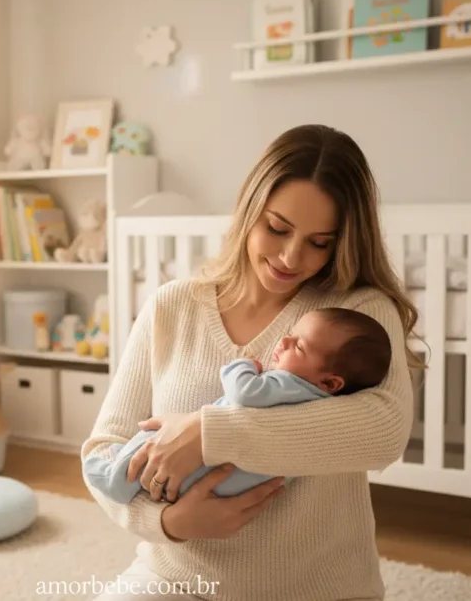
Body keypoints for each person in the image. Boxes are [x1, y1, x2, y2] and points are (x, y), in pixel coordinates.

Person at [80, 124, 419, 601]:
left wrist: (207, 433)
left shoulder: (355, 315)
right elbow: (103, 449)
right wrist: (168, 522)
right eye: (276, 228)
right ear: (248, 212)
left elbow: (383, 431)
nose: (289, 256)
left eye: (319, 242)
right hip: (176, 578)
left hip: (318, 590)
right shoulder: (172, 306)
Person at [83, 307, 392, 505]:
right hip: (234, 485)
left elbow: (244, 392)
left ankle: (113, 479)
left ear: (331, 383)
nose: (283, 343)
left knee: (147, 445)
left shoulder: (291, 384)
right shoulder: (323, 403)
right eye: (290, 335)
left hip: (215, 468)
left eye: (298, 345)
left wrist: (240, 366)